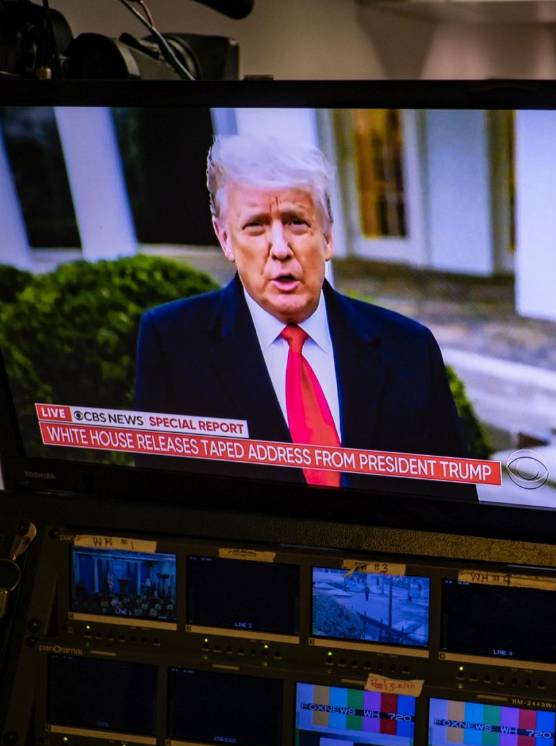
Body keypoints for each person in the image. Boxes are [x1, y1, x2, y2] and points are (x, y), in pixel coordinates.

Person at [134, 133, 474, 500]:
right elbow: (165, 504)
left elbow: (454, 507)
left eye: (296, 222)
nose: (280, 249)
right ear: (225, 238)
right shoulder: (171, 343)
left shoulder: (409, 347)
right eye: (255, 226)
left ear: (327, 236)